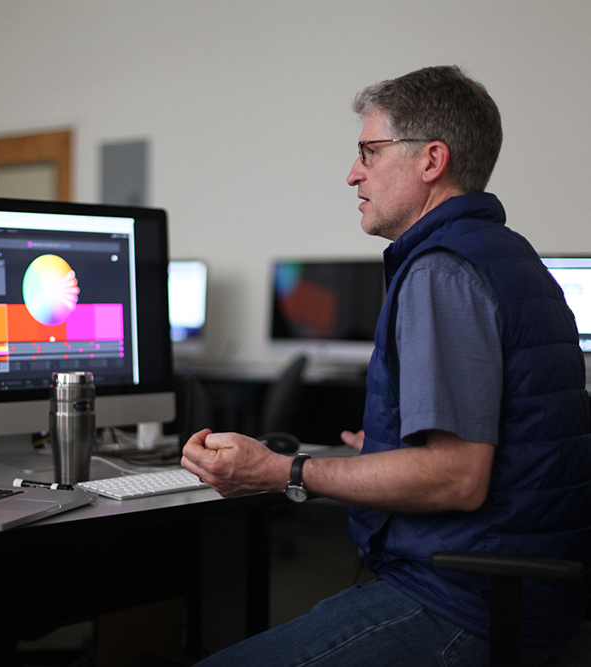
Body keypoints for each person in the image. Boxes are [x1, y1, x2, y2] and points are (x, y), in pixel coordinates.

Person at [181, 65, 591, 667]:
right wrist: (389, 446)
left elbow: (456, 476)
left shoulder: (441, 269)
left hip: (463, 601)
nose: (353, 174)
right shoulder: (508, 254)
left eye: (369, 152)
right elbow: (505, 436)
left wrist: (283, 471)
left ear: (431, 161)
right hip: (520, 590)